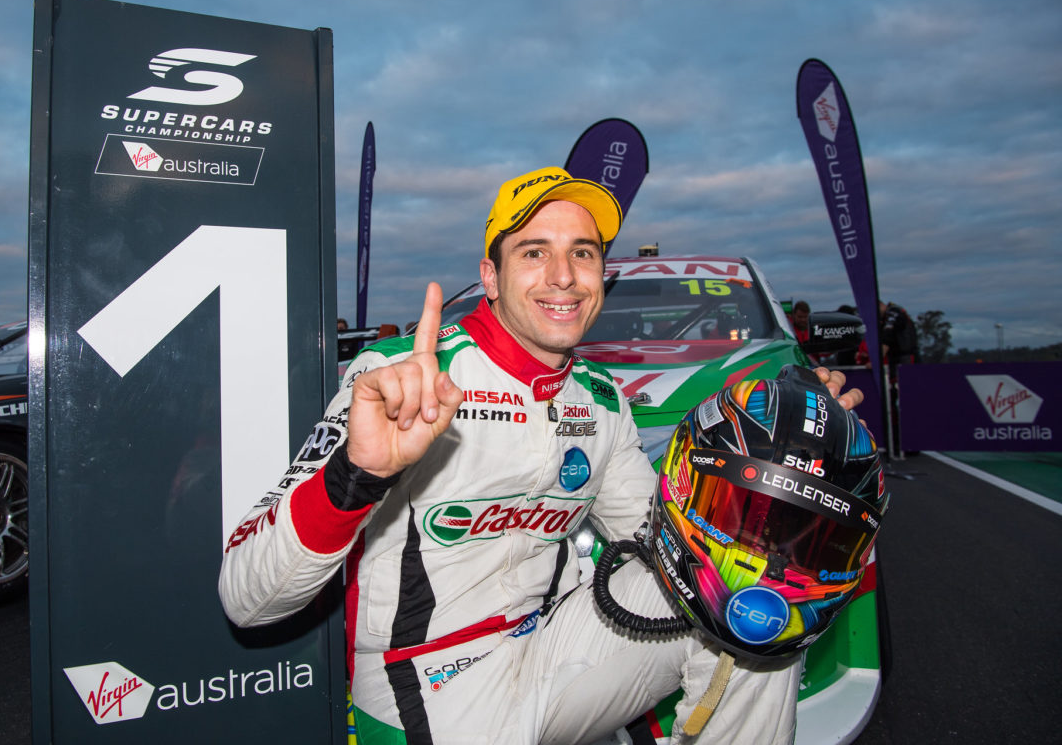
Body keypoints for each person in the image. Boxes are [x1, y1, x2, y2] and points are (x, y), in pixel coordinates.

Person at [219, 166, 863, 745]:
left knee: (752, 601)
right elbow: (247, 601)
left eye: (582, 253)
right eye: (535, 253)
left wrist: (785, 456)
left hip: (556, 646)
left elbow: (659, 538)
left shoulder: (602, 400)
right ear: (490, 277)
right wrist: (358, 474)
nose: (563, 276)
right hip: (427, 683)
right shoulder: (398, 378)